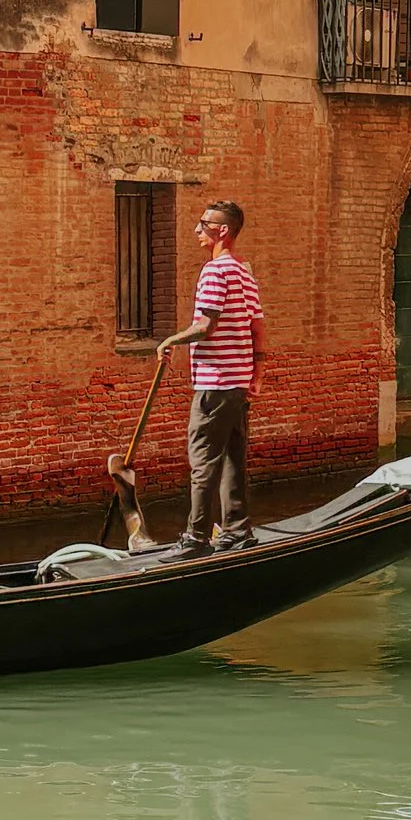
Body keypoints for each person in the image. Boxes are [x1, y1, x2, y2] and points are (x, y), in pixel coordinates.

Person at [158, 198, 264, 554]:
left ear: (222, 231)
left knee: (203, 461)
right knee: (233, 456)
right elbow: (257, 326)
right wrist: (257, 374)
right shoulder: (243, 271)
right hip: (237, 382)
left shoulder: (215, 271)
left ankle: (196, 538)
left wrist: (171, 339)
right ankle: (237, 530)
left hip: (215, 383)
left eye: (203, 224)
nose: (196, 230)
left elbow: (205, 325)